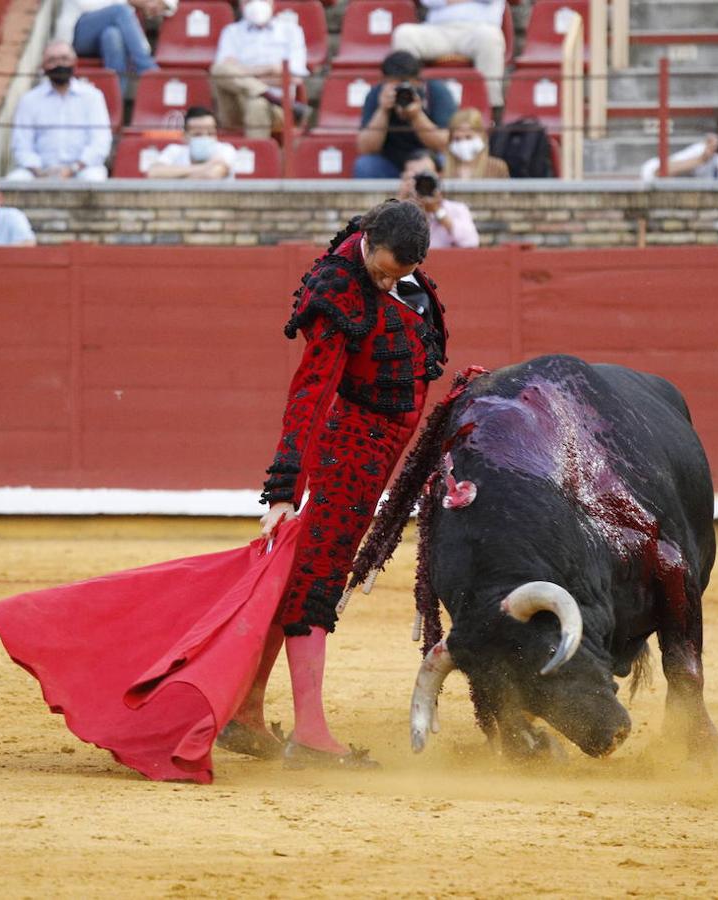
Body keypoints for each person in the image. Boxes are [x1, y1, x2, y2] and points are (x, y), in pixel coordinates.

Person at [218, 200, 448, 768]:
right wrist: (282, 488)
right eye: (384, 270)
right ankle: (312, 735)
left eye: (400, 273)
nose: (389, 281)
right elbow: (310, 393)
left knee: (303, 575)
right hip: (347, 453)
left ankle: (246, 710)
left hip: (375, 459)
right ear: (366, 239)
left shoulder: (405, 281)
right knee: (317, 581)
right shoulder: (338, 289)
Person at [5, 42, 112, 182]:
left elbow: (100, 142)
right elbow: (21, 145)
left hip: (83, 169)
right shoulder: (29, 100)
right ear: (43, 66)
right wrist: (39, 171)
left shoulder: (93, 96)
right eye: (52, 60)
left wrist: (73, 169)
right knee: (15, 180)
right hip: (39, 171)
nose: (59, 65)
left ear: (74, 62)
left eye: (64, 59)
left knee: (93, 179)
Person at [210, 0, 311, 138]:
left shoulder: (291, 31)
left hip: (278, 109)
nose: (256, 4)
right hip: (236, 107)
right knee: (219, 69)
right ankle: (267, 95)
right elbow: (223, 75)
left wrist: (242, 71)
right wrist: (272, 70)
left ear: (272, 3)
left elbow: (295, 77)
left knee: (257, 104)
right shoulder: (231, 32)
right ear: (240, 5)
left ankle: (256, 157)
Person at [354, 51, 457, 179]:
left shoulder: (436, 92)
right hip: (391, 161)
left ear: (418, 81)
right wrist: (382, 110)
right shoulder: (376, 94)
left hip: (427, 160)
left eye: (406, 84)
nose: (400, 91)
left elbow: (443, 144)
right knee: (365, 165)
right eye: (394, 85)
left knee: (445, 161)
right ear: (384, 80)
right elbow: (366, 148)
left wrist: (417, 116)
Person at [391, 0, 507, 111]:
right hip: (438, 30)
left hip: (478, 30)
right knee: (404, 34)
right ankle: (406, 101)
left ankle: (491, 108)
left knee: (490, 37)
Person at [56, 0, 176, 93]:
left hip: (111, 34)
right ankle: (148, 69)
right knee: (120, 11)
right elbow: (83, 4)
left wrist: (159, 3)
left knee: (112, 36)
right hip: (77, 33)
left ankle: (115, 103)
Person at [400, 150, 480, 249]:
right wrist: (400, 204)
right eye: (416, 177)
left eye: (426, 176)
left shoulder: (457, 209)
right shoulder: (400, 212)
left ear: (439, 176)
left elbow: (471, 242)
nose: (422, 183)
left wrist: (438, 211)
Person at [146, 106, 239, 180]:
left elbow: (211, 176)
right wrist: (205, 166)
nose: (205, 137)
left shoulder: (226, 149)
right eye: (198, 134)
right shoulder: (174, 150)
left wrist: (172, 177)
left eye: (210, 133)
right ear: (185, 136)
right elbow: (154, 173)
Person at [442, 107, 508, 180]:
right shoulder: (445, 170)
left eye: (468, 137)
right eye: (457, 139)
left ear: (481, 135)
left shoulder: (498, 167)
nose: (463, 143)